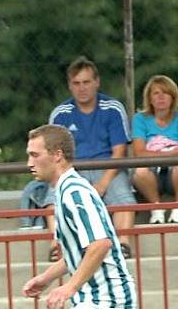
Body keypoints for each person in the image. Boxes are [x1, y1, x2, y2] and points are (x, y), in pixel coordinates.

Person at [22, 124, 136, 309]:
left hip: (108, 297)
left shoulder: (74, 192)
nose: (29, 162)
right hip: (101, 296)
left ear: (57, 155)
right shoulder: (67, 190)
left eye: (35, 155)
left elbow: (100, 245)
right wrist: (46, 278)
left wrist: (68, 288)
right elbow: (79, 251)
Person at [48, 56, 135, 258]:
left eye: (86, 82)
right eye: (76, 83)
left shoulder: (113, 108)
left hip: (109, 168)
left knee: (123, 198)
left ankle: (122, 243)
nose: (82, 88)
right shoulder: (60, 114)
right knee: (54, 197)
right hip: (72, 170)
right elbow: (55, 154)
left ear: (97, 82)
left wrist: (103, 183)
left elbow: (119, 152)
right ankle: (57, 243)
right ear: (69, 86)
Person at [130, 74, 178, 224]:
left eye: (165, 93)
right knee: (140, 172)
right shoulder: (140, 119)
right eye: (156, 93)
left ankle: (176, 208)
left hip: (174, 172)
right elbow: (139, 152)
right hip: (152, 171)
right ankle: (156, 208)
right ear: (149, 98)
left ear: (173, 97)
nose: (161, 97)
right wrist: (170, 153)